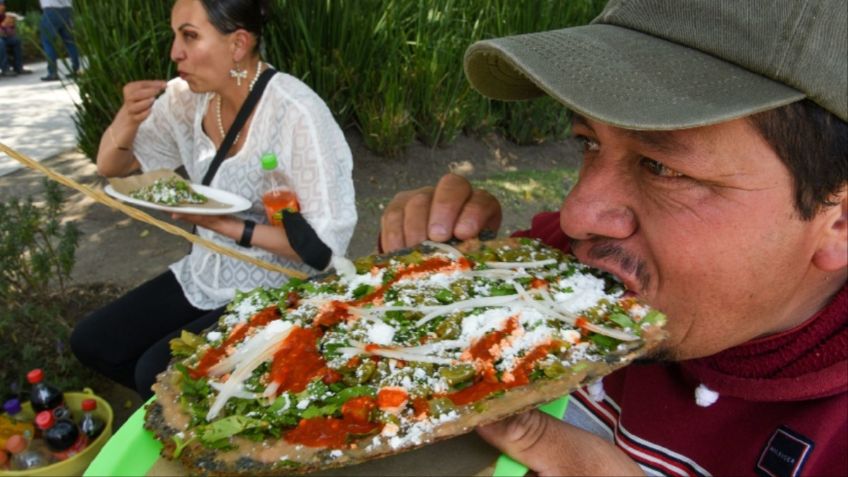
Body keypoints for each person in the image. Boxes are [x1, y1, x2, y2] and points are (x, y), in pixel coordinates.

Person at [380, 0, 846, 474]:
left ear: (839, 221)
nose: (576, 215)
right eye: (589, 142)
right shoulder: (554, 270)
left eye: (662, 167)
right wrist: (428, 288)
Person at [70, 0, 356, 399]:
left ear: (237, 44)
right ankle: (191, 410)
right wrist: (127, 119)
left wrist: (225, 225)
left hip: (278, 283)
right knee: (93, 341)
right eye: (175, 36)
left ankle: (218, 414)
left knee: (154, 369)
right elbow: (110, 166)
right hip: (206, 269)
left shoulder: (297, 114)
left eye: (189, 36)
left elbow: (323, 248)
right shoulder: (187, 98)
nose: (175, 53)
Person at [38, 0, 78, 81]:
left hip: (51, 9)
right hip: (67, 10)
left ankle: (52, 73)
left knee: (48, 41)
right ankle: (76, 69)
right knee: (70, 41)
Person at [0, 0, 31, 76]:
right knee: (1, 43)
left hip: (3, 37)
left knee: (16, 41)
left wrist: (11, 26)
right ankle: (5, 69)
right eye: (1, 5)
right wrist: (2, 26)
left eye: (3, 4)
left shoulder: (4, 16)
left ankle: (18, 67)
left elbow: (9, 33)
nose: (2, 7)